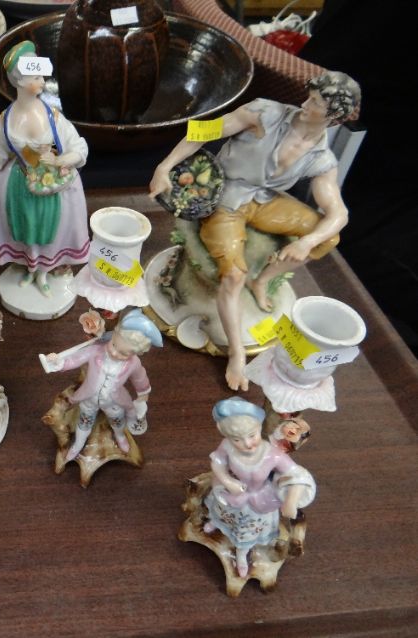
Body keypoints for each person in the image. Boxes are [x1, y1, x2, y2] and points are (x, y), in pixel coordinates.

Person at [149, 72, 361, 391]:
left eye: (316, 103)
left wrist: (308, 241)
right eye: (310, 96)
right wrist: (164, 167)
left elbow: (338, 213)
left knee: (328, 235)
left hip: (265, 203)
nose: (305, 104)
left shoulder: (322, 158)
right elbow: (204, 131)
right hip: (227, 199)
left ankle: (262, 281)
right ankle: (236, 353)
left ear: (334, 116)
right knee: (233, 276)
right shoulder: (264, 113)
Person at [0, 40, 89, 297]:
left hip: (53, 185)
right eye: (36, 77)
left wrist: (60, 160)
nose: (43, 82)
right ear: (19, 81)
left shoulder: (53, 116)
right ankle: (29, 267)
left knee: (49, 227)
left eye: (42, 76)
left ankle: (45, 270)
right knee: (25, 226)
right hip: (19, 183)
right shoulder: (5, 119)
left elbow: (78, 146)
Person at [203, 398, 316, 578]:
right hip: (231, 493)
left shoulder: (273, 455)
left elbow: (297, 475)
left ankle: (241, 555)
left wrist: (290, 501)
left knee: (247, 532)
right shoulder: (227, 446)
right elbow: (217, 462)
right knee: (221, 511)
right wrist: (227, 481)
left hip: (257, 501)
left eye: (252, 435)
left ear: (259, 428)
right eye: (237, 439)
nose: (247, 444)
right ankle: (216, 523)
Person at [44, 309, 162, 461]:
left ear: (135, 353)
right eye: (113, 344)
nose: (114, 353)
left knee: (117, 421)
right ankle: (78, 443)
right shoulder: (96, 351)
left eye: (123, 353)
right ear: (113, 335)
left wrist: (143, 396)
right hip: (89, 397)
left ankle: (120, 436)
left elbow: (140, 379)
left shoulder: (133, 364)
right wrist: (58, 362)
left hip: (114, 401)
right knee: (84, 421)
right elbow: (75, 359)